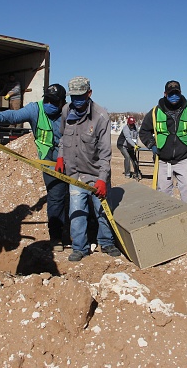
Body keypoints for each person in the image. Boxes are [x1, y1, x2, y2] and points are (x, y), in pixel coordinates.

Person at [0, 84, 69, 251]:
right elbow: (14, 115)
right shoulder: (36, 109)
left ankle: (75, 231)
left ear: (62, 102)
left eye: (53, 101)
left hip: (71, 160)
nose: (48, 104)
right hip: (49, 161)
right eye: (46, 99)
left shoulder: (67, 112)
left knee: (75, 197)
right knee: (56, 197)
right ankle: (56, 237)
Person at [56, 76, 121, 262]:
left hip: (95, 174)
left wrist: (102, 179)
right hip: (75, 174)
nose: (76, 101)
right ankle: (79, 248)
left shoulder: (101, 117)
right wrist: (61, 156)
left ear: (89, 94)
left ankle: (107, 242)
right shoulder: (66, 111)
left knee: (102, 211)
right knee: (76, 213)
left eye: (80, 96)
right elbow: (62, 138)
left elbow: (105, 153)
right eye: (73, 97)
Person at [139, 80, 187, 205]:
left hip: (183, 158)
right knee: (163, 192)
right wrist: (152, 145)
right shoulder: (155, 112)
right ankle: (167, 219)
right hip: (163, 160)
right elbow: (144, 131)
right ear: (165, 94)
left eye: (176, 93)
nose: (174, 96)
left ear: (181, 93)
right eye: (170, 93)